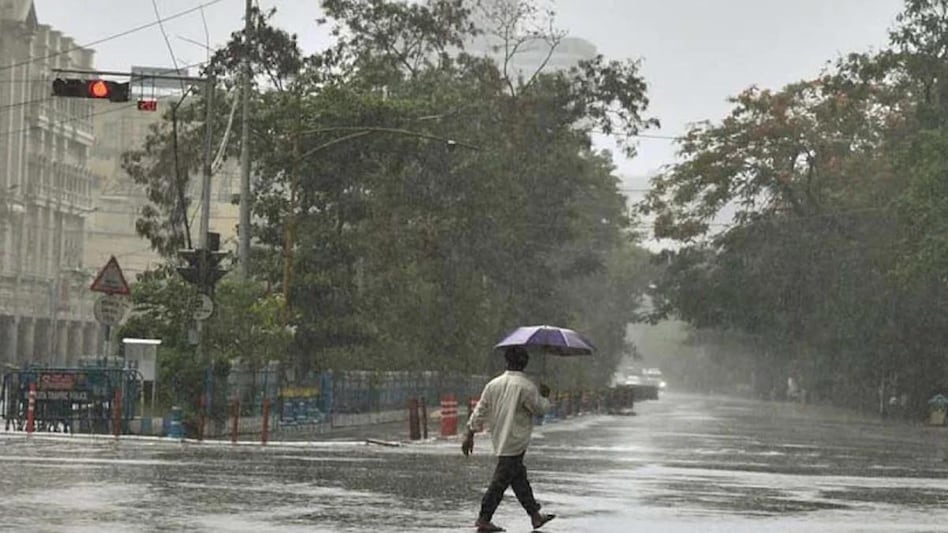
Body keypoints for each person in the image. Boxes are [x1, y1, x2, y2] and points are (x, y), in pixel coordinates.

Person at [462, 346, 556, 533]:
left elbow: (480, 409)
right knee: (500, 481)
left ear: (507, 361)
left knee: (518, 478)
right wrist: (545, 396)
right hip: (516, 440)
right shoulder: (526, 387)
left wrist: (470, 433)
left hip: (499, 436)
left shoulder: (493, 384)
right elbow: (540, 410)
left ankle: (535, 515)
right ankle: (484, 518)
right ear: (525, 363)